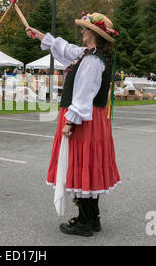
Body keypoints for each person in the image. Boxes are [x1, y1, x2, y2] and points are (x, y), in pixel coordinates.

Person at [27, 12, 121, 237]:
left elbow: (83, 94)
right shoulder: (88, 55)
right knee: (86, 165)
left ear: (95, 34)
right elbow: (65, 48)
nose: (82, 32)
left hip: (83, 119)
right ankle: (92, 218)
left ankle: (85, 222)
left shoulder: (91, 60)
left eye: (86, 29)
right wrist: (41, 36)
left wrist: (70, 121)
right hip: (92, 119)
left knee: (81, 165)